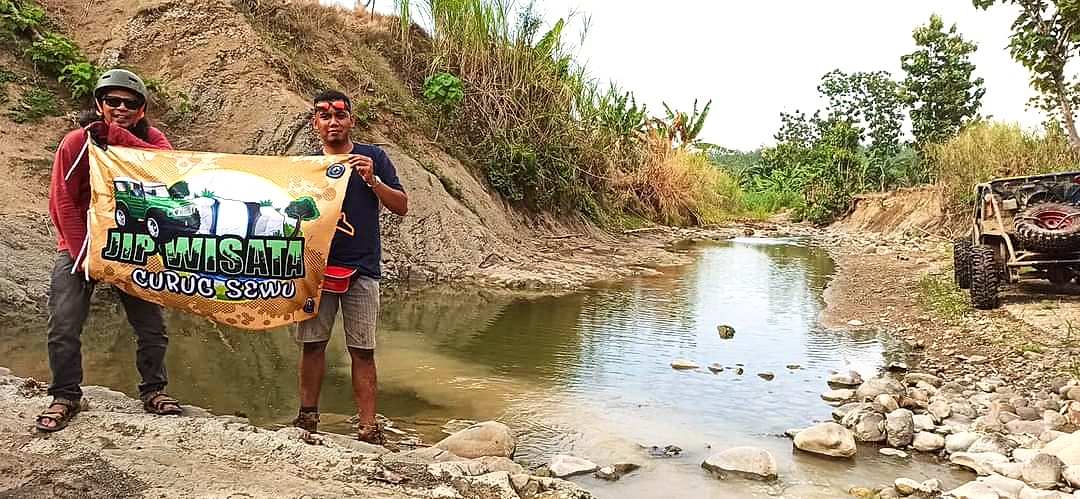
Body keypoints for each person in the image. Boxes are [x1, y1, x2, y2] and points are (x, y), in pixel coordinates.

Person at [37, 69, 182, 432]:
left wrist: (115, 136)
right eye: (111, 101)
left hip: (133, 244)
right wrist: (81, 252)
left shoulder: (152, 139)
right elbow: (62, 200)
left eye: (129, 103)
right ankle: (65, 395)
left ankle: (154, 390)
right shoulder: (76, 142)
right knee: (64, 324)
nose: (120, 108)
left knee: (152, 328)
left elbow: (169, 171)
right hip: (80, 244)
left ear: (142, 108)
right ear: (99, 104)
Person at [293, 90, 408, 444]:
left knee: (363, 350)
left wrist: (372, 180)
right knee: (312, 345)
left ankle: (368, 427)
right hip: (316, 268)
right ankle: (307, 418)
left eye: (340, 115)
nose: (333, 122)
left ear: (351, 121)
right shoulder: (306, 166)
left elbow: (401, 206)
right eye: (324, 116)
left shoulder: (374, 157)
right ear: (315, 124)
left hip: (362, 269)